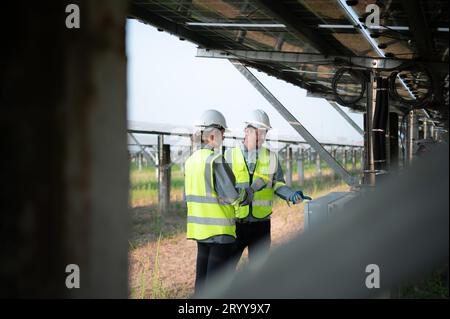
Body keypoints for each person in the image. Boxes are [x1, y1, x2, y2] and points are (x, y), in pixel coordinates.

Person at [225, 109, 311, 267]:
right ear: (246, 131)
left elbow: (277, 183)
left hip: (261, 225)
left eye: (264, 133)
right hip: (235, 223)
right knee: (226, 272)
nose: (262, 137)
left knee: (259, 271)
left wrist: (290, 195)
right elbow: (224, 188)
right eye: (258, 133)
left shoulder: (271, 157)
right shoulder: (229, 156)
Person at [185, 109, 257, 294]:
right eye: (223, 133)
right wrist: (249, 193)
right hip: (220, 232)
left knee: (202, 283)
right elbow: (234, 196)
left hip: (200, 231)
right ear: (213, 133)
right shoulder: (215, 160)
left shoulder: (191, 161)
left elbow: (191, 196)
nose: (223, 138)